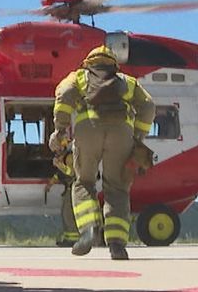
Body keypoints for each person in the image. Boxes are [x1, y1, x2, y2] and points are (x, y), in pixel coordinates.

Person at [49, 46, 155, 260]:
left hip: (88, 132)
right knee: (117, 187)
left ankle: (88, 230)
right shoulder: (127, 81)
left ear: (89, 62)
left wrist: (60, 129)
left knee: (83, 182)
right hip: (121, 135)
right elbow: (148, 106)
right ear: (113, 64)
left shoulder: (78, 77)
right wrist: (138, 137)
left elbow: (64, 95)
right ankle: (116, 244)